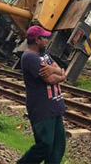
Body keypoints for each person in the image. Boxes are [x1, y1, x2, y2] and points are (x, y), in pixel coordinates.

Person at [18, 25, 67, 164]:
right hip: (42, 108)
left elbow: (60, 69)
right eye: (45, 38)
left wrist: (52, 69)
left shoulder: (44, 54)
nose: (47, 40)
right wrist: (61, 76)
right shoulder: (29, 57)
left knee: (58, 146)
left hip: (55, 105)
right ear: (37, 40)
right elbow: (50, 79)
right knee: (45, 145)